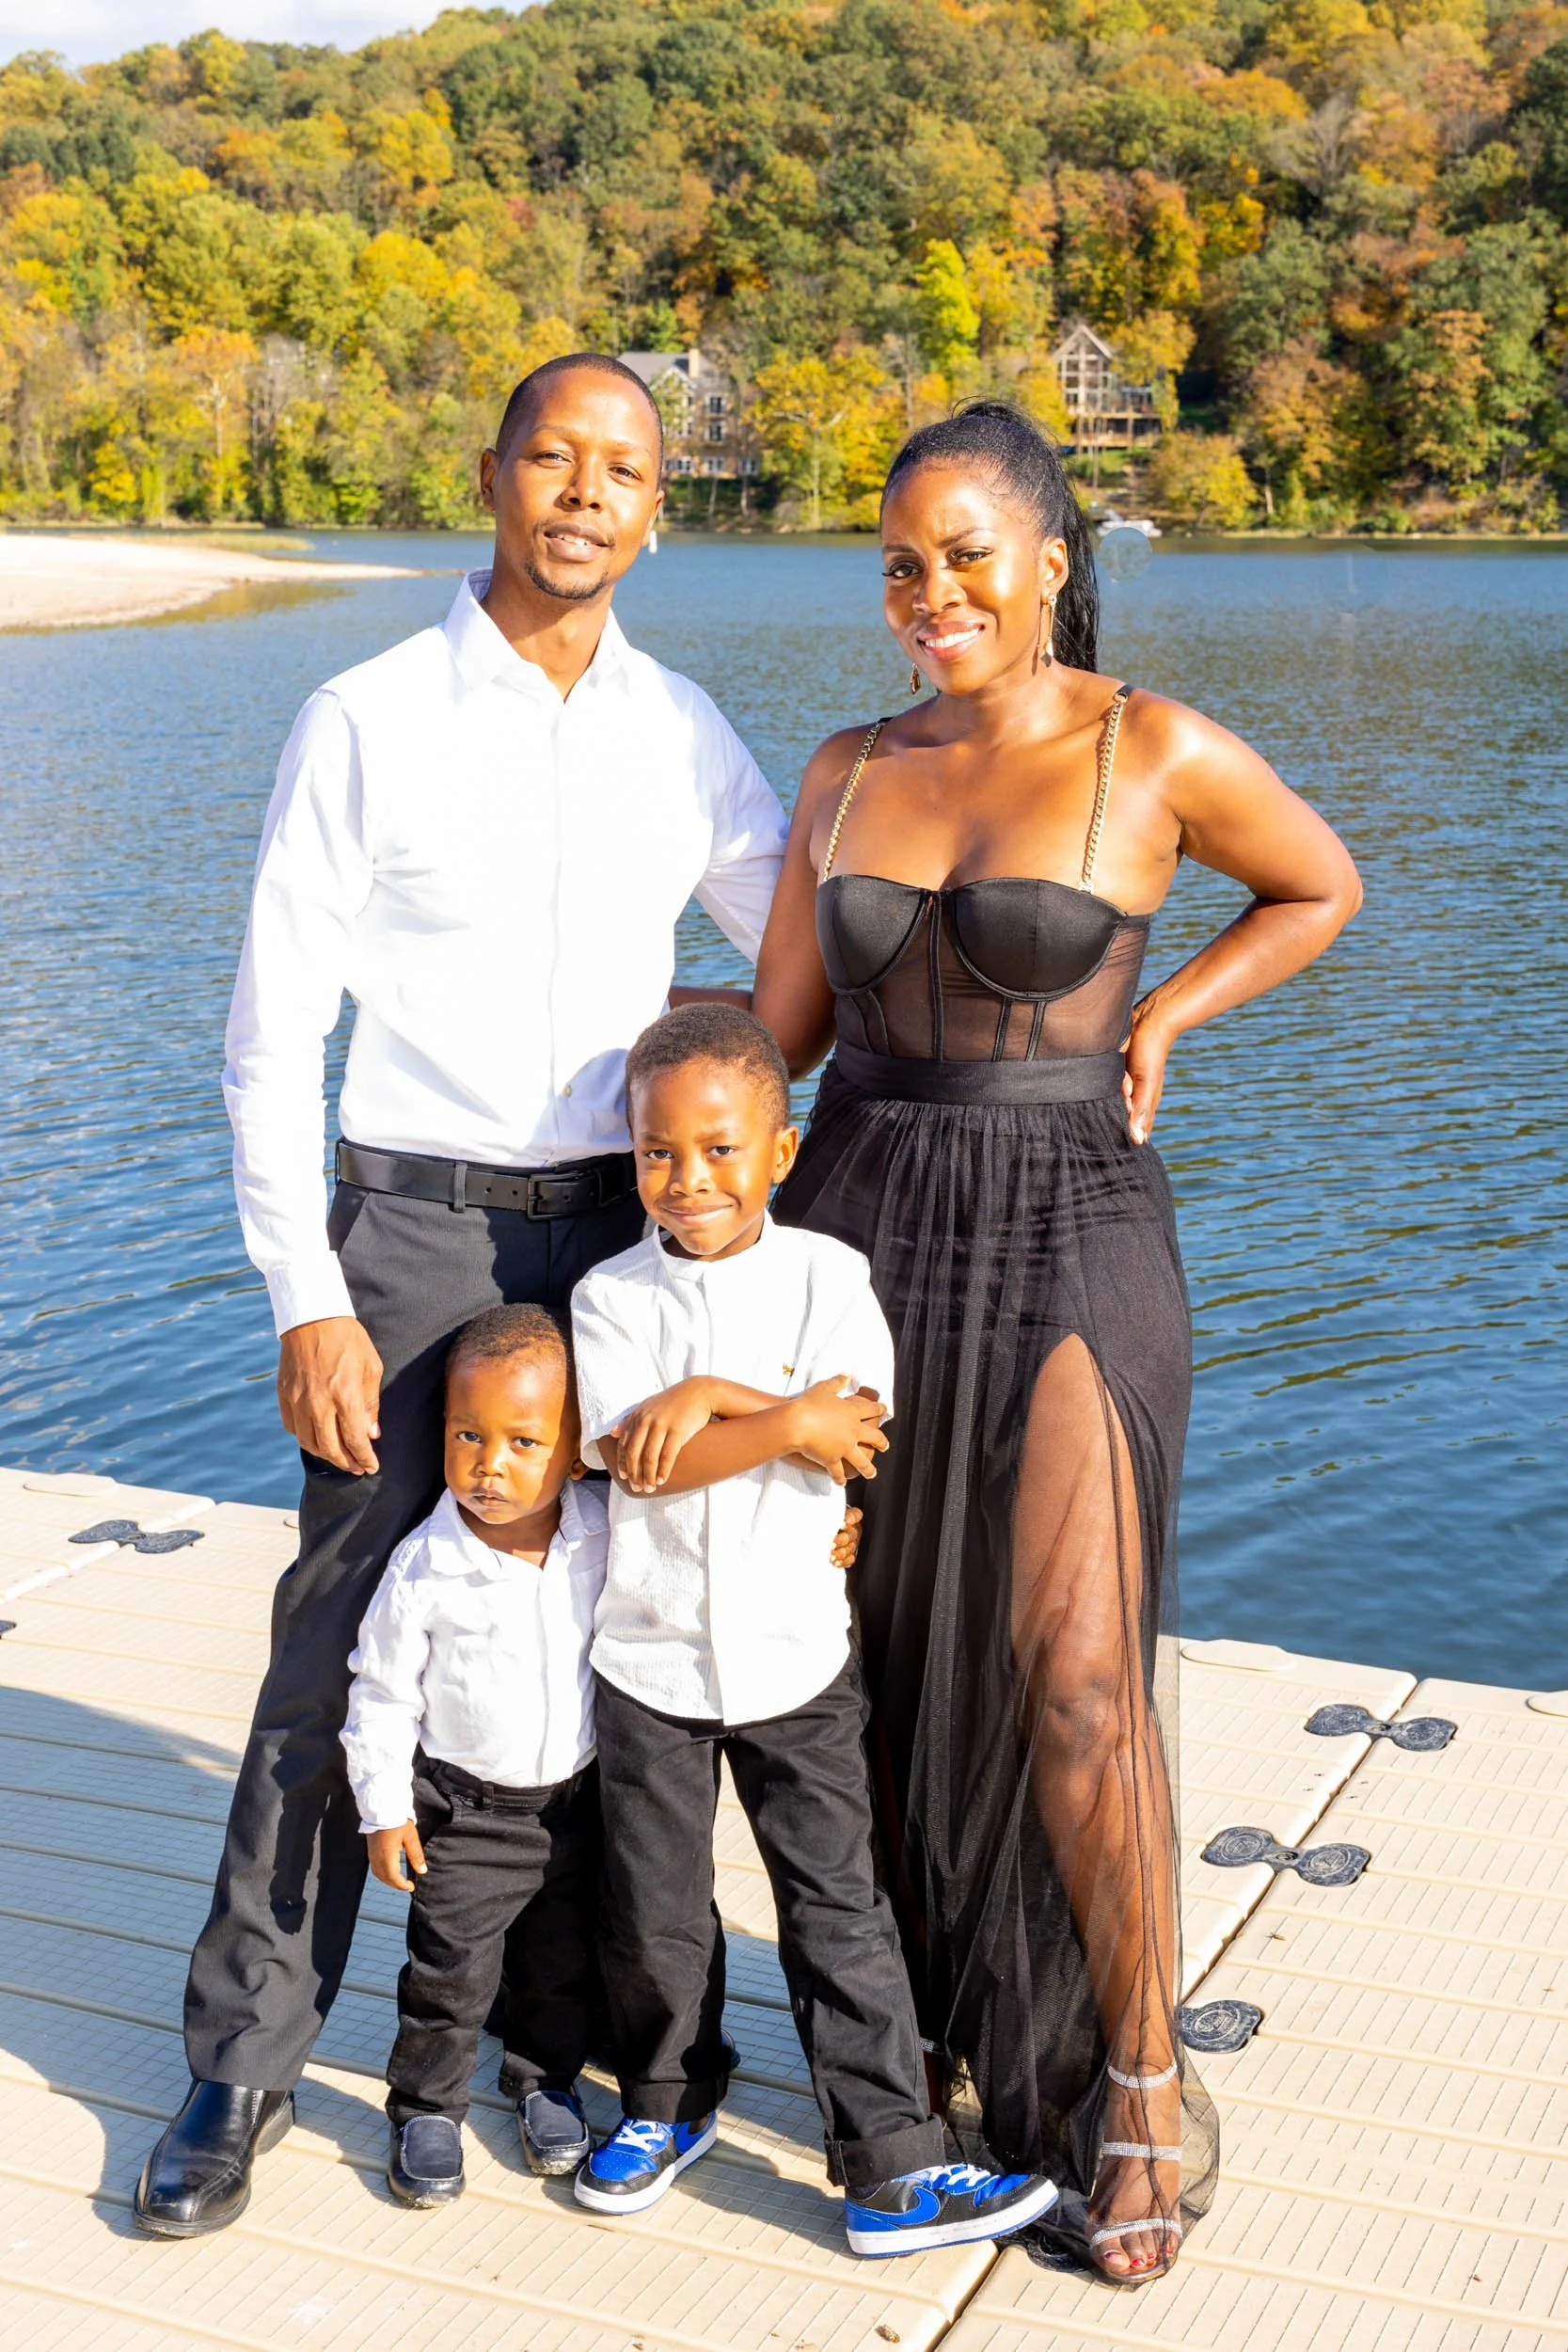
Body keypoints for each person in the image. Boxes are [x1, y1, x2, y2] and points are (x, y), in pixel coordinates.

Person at [135, 353, 790, 2237]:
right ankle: (243, 2057)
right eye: (553, 458)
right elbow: (272, 1039)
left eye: (624, 470)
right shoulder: (365, 713)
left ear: (656, 512)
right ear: (491, 475)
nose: (585, 492)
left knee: (604, 1634)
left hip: (615, 1233)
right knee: (335, 1633)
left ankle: (544, 2034)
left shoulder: (679, 729)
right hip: (407, 1233)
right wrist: (300, 1293)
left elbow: (796, 942)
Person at [752, 403, 1363, 2285]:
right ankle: (934, 2032)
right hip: (854, 1219)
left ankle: (1132, 2074)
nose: (927, 592)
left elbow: (1316, 883)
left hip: (1067, 1218)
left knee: (1078, 1673)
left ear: (1042, 562)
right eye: (897, 561)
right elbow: (771, 1027)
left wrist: (1165, 1014)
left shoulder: (1143, 742)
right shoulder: (844, 767)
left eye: (962, 556)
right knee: (882, 1656)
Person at [568, 1004, 1060, 2257]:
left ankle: (888, 2160)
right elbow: (635, 1463)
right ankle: (666, 2102)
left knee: (836, 1906)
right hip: (648, 1662)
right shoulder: (609, 1297)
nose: (688, 1181)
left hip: (795, 1659)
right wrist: (773, 1422)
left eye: (721, 1150)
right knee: (657, 1910)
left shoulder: (824, 1278)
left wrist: (725, 1404)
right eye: (657, 1153)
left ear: (778, 1154)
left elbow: (854, 1422)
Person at [341, 1304, 608, 2204]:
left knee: (559, 1962)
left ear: (575, 1450)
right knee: (450, 1968)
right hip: (467, 1810)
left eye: (523, 1442)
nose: (489, 1466)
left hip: (578, 1802)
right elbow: (379, 1694)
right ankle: (424, 2107)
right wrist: (385, 1809)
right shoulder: (425, 1565)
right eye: (468, 1436)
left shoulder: (601, 1532)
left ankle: (543, 2082)